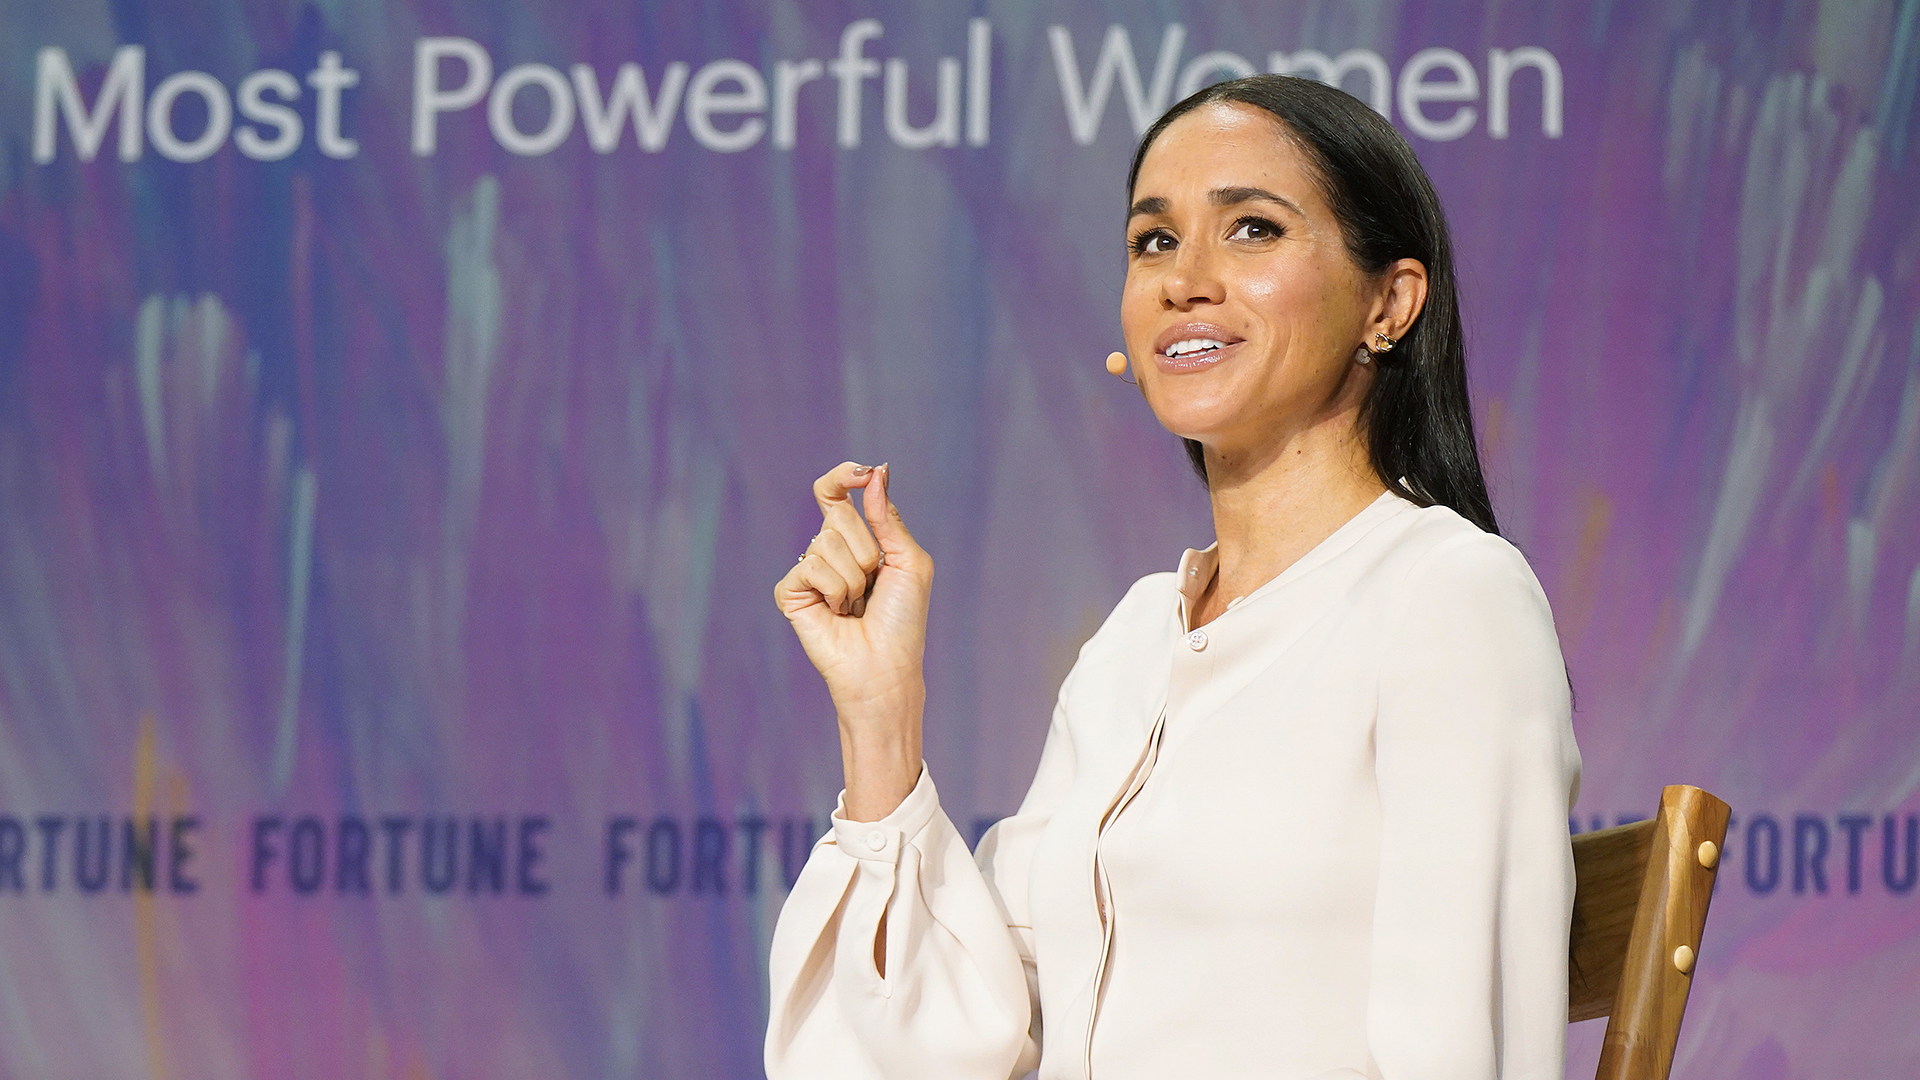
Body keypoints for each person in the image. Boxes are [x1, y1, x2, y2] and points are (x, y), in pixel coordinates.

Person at [765, 75, 1582, 1080]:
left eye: (1251, 230)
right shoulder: (1134, 642)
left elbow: (1459, 1045)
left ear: (1390, 303)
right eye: (1154, 241)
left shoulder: (1449, 598)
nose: (1184, 279)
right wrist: (880, 715)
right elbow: (970, 1048)